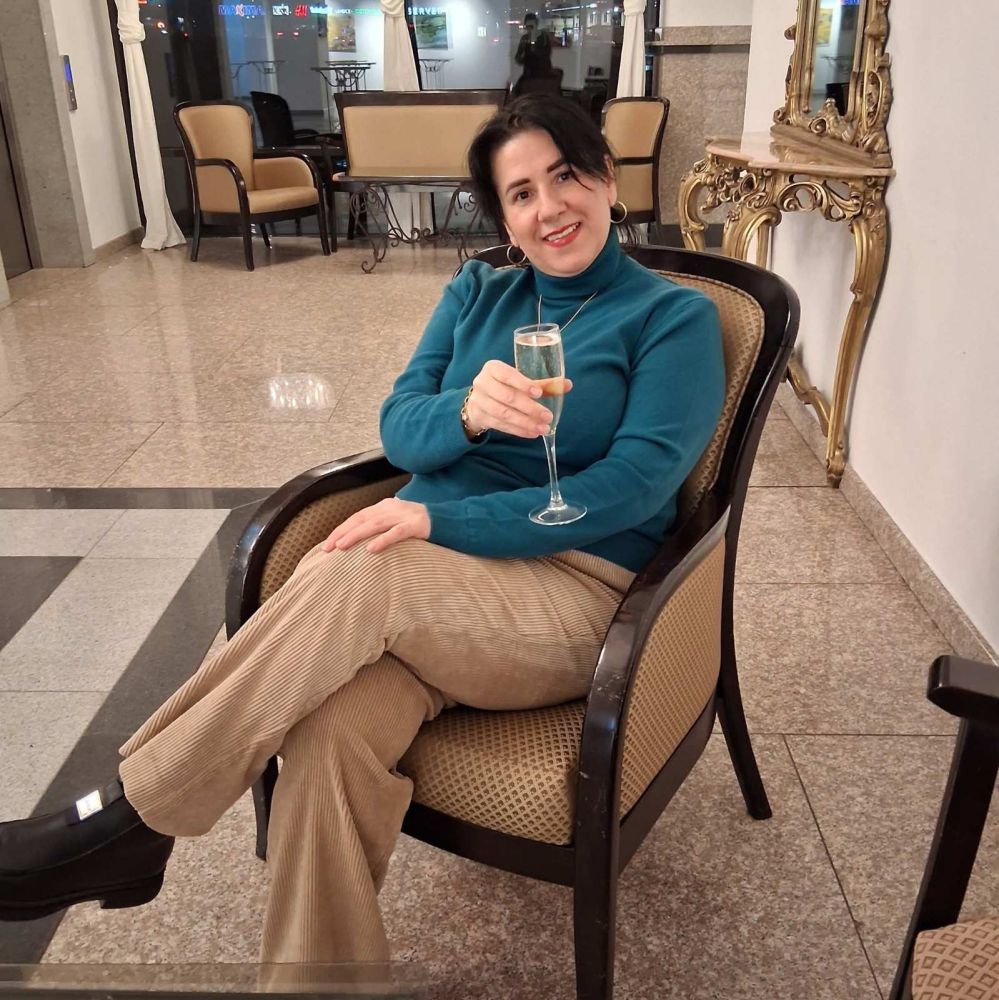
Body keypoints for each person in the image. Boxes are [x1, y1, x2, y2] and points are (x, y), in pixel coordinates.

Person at [0, 95, 725, 965]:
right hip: (437, 594)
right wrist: (465, 413)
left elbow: (630, 487)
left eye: (565, 176)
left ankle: (129, 820)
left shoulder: (671, 318)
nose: (549, 207)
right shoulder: (477, 292)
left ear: (606, 177)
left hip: (576, 593)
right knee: (328, 733)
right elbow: (399, 429)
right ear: (503, 217)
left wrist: (438, 517)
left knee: (365, 563)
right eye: (520, 193)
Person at [513, 12, 557, 96]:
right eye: (528, 26)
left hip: (543, 75)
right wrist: (524, 56)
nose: (530, 29)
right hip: (529, 75)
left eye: (532, 26)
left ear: (536, 24)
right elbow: (518, 58)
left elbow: (546, 55)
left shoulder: (543, 36)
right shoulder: (525, 38)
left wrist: (533, 48)